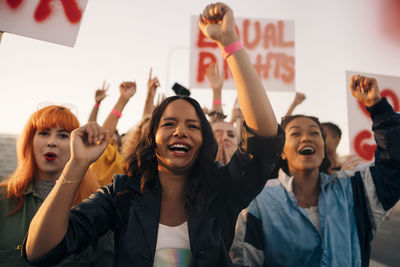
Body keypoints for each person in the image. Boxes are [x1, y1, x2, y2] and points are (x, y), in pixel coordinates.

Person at [23, 3, 284, 266]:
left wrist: (229, 42)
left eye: (192, 126)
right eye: (169, 124)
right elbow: (39, 251)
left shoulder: (222, 188)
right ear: (151, 139)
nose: (180, 131)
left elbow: (263, 141)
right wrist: (76, 165)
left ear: (204, 140)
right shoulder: (122, 194)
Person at [230, 75, 400, 266]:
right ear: (282, 152)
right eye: (295, 133)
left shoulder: (355, 190)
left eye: (314, 133)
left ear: (323, 148)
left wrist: (377, 106)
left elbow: (394, 164)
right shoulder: (260, 202)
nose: (306, 138)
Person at [0, 105, 113, 266]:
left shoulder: (96, 203)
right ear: (29, 141)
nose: (52, 142)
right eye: (44, 133)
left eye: (62, 135)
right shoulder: (3, 198)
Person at [89, 80, 136, 186]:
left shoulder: (125, 163)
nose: (109, 142)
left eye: (113, 141)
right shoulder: (97, 156)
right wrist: (122, 100)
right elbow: (92, 129)